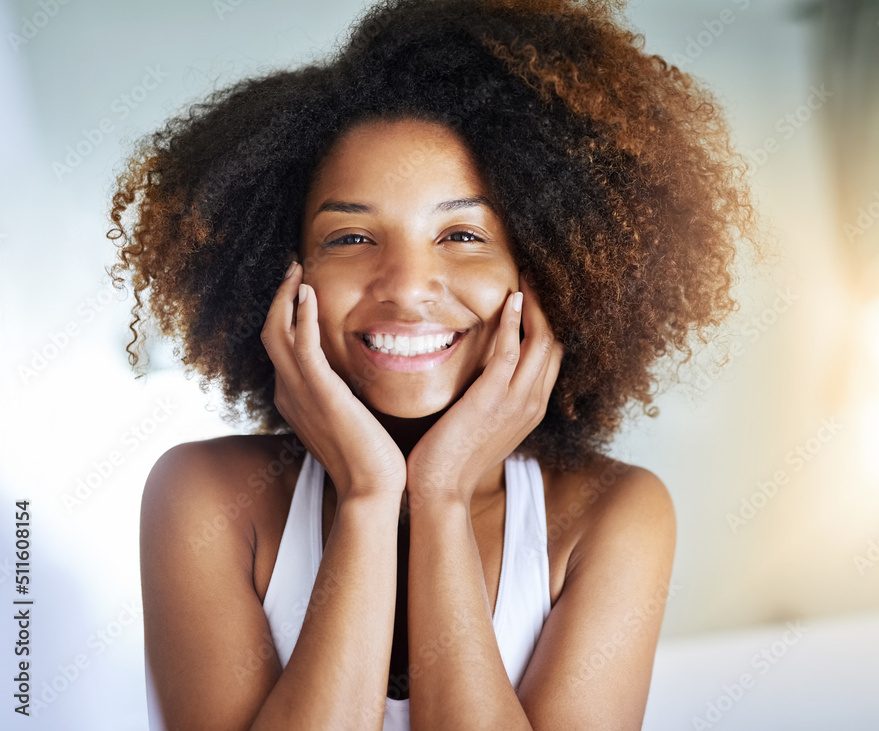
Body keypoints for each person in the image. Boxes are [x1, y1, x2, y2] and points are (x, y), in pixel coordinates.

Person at [108, 0, 756, 727]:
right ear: (280, 274)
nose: (408, 285)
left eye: (460, 233)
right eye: (351, 237)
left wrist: (441, 493)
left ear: (545, 268)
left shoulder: (610, 515)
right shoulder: (204, 498)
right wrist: (367, 496)